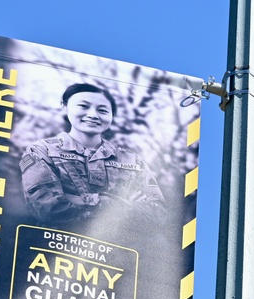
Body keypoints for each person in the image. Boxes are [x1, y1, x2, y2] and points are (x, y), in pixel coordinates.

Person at [19, 83, 163, 224]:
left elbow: (159, 214)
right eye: (83, 106)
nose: (93, 115)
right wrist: (124, 205)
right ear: (65, 106)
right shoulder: (41, 151)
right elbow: (48, 208)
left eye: (103, 110)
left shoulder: (132, 160)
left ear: (112, 115)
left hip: (121, 246)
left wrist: (76, 199)